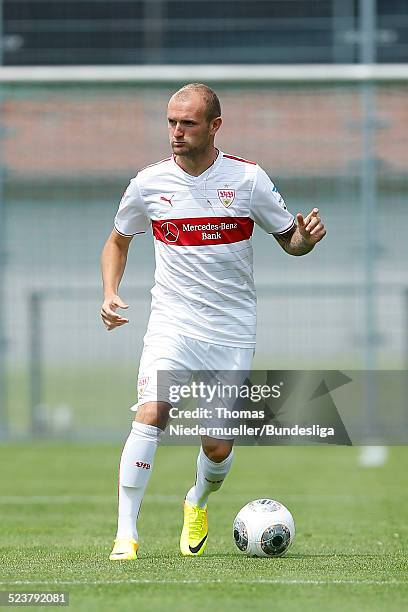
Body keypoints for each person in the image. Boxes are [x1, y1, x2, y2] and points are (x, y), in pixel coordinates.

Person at [100, 83, 326, 560]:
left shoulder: (248, 180)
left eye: (188, 123)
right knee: (151, 412)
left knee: (218, 446)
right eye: (171, 122)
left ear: (214, 126)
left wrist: (305, 241)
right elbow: (118, 239)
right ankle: (126, 534)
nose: (176, 132)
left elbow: (290, 239)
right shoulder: (148, 183)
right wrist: (110, 292)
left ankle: (197, 500)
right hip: (171, 322)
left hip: (231, 329)